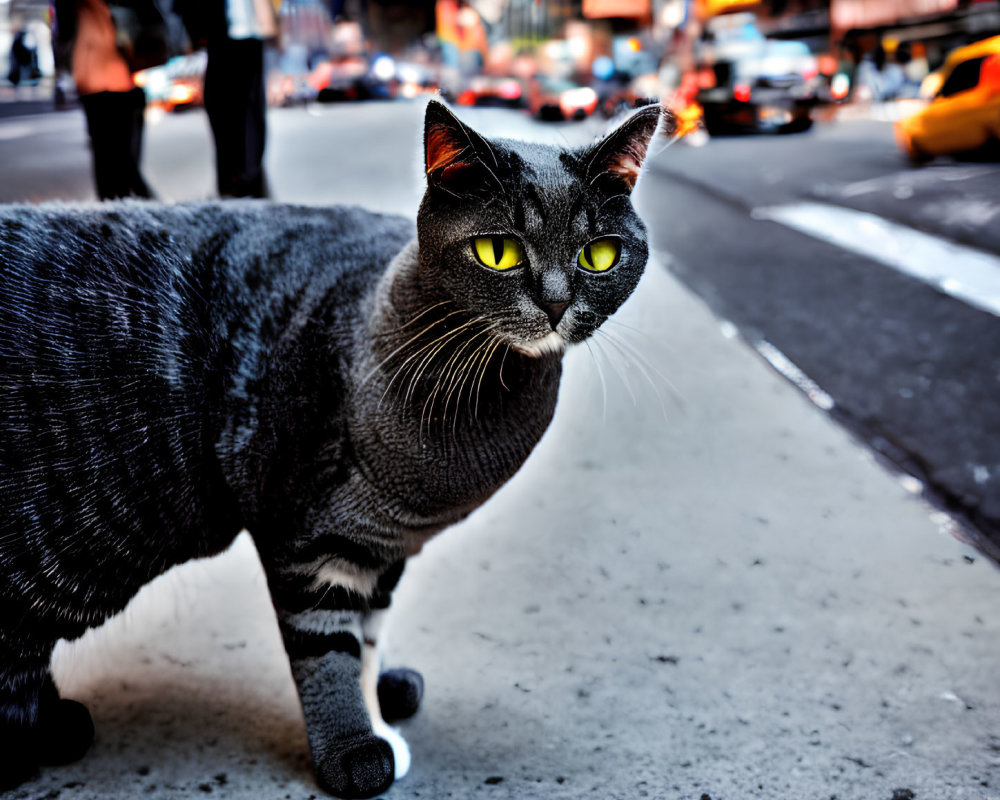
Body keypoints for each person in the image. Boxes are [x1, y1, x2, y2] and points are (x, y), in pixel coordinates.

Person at [54, 0, 169, 199]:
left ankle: (137, 202)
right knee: (109, 153)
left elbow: (153, 21)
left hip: (120, 77)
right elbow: (63, 35)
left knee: (120, 155)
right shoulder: (75, 7)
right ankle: (125, 204)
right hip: (94, 80)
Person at [175, 0, 277, 198]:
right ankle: (233, 183)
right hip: (219, 35)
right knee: (221, 109)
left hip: (248, 33)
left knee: (248, 114)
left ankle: (247, 180)